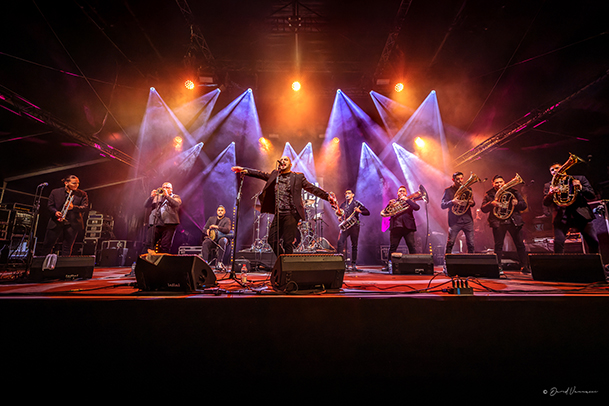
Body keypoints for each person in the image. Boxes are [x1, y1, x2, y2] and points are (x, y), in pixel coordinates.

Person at [232, 156, 338, 257]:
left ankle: (287, 267)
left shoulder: (297, 177)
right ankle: (283, 261)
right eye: (281, 159)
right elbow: (260, 174)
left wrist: (327, 197)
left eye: (285, 160)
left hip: (291, 213)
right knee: (272, 240)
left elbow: (312, 188)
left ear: (290, 164)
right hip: (278, 213)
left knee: (288, 242)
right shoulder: (275, 175)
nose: (282, 161)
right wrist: (245, 170)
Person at [543, 162, 599, 254]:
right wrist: (550, 194)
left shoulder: (580, 179)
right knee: (558, 244)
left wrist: (580, 187)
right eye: (552, 170)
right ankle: (559, 262)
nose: (554, 171)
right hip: (562, 217)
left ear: (564, 168)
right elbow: (546, 203)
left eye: (557, 168)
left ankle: (595, 262)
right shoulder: (549, 185)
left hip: (581, 215)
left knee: (593, 242)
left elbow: (592, 195)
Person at [481, 175, 529, 274]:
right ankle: (498, 267)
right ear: (493, 184)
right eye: (497, 182)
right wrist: (491, 204)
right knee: (498, 246)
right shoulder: (489, 194)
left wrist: (517, 203)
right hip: (498, 222)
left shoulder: (513, 192)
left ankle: (524, 266)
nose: (499, 184)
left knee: (520, 244)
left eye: (501, 182)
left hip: (513, 221)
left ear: (504, 182)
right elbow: (483, 209)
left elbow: (524, 206)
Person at [40, 175, 89, 256]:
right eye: (74, 183)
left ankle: (64, 263)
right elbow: (50, 206)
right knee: (48, 244)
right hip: (56, 221)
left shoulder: (82, 194)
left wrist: (73, 207)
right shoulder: (55, 192)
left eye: (78, 183)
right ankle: (45, 262)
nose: (76, 185)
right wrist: (55, 212)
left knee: (67, 247)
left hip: (72, 223)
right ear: (66, 183)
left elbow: (85, 207)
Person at [381, 185, 420, 267]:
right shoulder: (393, 202)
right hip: (396, 226)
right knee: (393, 247)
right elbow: (386, 212)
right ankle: (389, 265)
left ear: (406, 193)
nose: (401, 192)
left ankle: (415, 265)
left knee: (412, 246)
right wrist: (389, 205)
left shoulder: (410, 201)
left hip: (408, 227)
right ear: (397, 193)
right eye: (400, 191)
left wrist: (407, 200)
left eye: (403, 191)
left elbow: (417, 207)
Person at [441, 172, 476, 254]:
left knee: (471, 243)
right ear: (453, 180)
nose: (460, 181)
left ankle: (472, 261)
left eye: (461, 178)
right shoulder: (448, 190)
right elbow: (443, 205)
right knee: (450, 243)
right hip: (455, 221)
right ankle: (446, 260)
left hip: (467, 220)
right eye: (457, 179)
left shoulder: (468, 189)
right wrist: (452, 202)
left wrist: (472, 202)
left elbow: (473, 203)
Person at [335, 189, 370, 271]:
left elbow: (367, 212)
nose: (347, 194)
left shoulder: (357, 203)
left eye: (349, 193)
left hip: (354, 226)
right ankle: (340, 262)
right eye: (346, 193)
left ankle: (353, 264)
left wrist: (359, 211)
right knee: (340, 242)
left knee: (354, 245)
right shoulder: (343, 204)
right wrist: (339, 217)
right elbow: (339, 213)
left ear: (352, 195)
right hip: (346, 226)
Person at [144, 182, 182, 254]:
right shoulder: (157, 197)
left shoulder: (175, 197)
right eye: (163, 187)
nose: (165, 189)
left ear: (171, 189)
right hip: (155, 223)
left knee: (165, 245)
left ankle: (163, 259)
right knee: (149, 243)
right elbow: (146, 205)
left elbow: (176, 204)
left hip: (169, 224)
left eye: (167, 187)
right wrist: (151, 197)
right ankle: (149, 258)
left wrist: (167, 196)